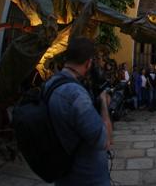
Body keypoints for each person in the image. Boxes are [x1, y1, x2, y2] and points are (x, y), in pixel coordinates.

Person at [47, 37, 113, 185]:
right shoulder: (76, 96)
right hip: (87, 177)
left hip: (64, 175)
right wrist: (103, 103)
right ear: (89, 62)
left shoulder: (50, 84)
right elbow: (105, 141)